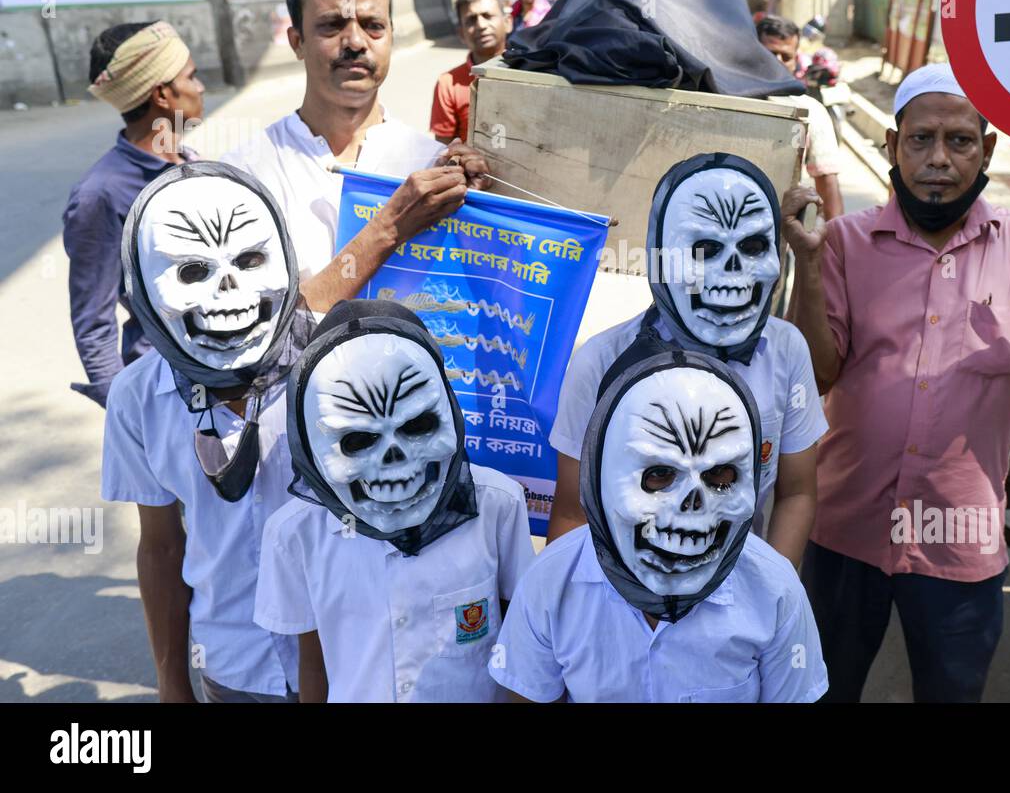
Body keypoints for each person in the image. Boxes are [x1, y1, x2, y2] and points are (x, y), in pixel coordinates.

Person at [782, 63, 1010, 702]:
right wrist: (809, 264)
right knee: (821, 690)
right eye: (920, 140)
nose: (939, 159)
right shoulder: (845, 242)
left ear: (987, 150)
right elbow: (817, 374)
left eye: (959, 141)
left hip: (959, 537)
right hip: (847, 528)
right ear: (892, 149)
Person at [489, 350, 828, 702]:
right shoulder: (550, 582)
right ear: (601, 477)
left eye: (719, 475)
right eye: (660, 475)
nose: (693, 503)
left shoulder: (775, 589)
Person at [545, 153, 827, 569]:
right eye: (705, 250)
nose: (734, 272)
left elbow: (798, 492)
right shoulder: (600, 361)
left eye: (752, 247)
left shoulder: (785, 350)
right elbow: (573, 510)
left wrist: (770, 594)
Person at [103, 163, 313, 702]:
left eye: (249, 260)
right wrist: (171, 681)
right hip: (232, 666)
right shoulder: (138, 398)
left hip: (351, 660)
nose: (230, 289)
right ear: (142, 288)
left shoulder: (335, 369)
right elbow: (160, 547)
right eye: (192, 271)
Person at [254, 299, 534, 702]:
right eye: (358, 440)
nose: (395, 457)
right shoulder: (294, 534)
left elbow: (522, 647)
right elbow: (312, 664)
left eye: (418, 425)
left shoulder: (496, 506)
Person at [222, 0, 491, 286]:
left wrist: (479, 215)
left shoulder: (435, 167)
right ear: (297, 42)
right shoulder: (245, 176)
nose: (355, 42)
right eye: (333, 25)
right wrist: (390, 228)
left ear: (391, 36)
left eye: (373, 25)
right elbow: (263, 326)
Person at [63, 21, 204, 407]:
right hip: (165, 389)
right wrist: (127, 411)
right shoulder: (101, 194)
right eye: (192, 77)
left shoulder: (193, 164)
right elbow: (94, 321)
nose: (201, 87)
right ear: (162, 94)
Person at [756, 15, 845, 219]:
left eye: (785, 56)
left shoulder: (811, 112)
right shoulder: (727, 99)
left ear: (796, 59)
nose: (777, 62)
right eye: (770, 54)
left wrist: (838, 249)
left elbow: (829, 192)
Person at [429, 0, 508, 144]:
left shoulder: (532, 74)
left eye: (487, 16)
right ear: (461, 33)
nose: (481, 25)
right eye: (471, 20)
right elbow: (443, 151)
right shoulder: (448, 84)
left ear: (508, 22)